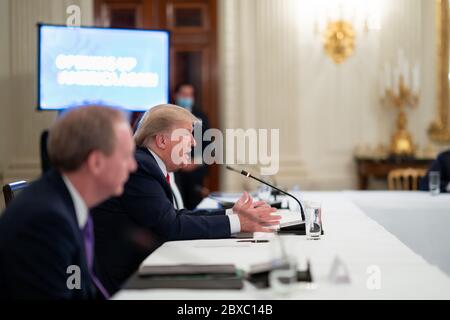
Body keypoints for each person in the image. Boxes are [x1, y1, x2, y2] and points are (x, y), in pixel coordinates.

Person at [92, 104, 281, 294]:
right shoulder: (141, 167)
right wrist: (238, 223)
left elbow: (175, 215)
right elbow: (171, 226)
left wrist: (231, 214)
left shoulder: (149, 164)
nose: (194, 143)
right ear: (162, 141)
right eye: (187, 134)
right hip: (125, 283)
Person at [0, 106, 137, 299]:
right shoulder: (46, 221)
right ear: (96, 162)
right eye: (126, 156)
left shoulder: (66, 201)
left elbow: (81, 288)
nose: (133, 165)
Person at [173, 83, 211, 209]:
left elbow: (208, 147)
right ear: (176, 95)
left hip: (194, 175)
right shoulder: (168, 116)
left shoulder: (201, 117)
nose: (187, 98)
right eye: (184, 94)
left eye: (190, 95)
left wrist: (196, 162)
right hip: (174, 172)